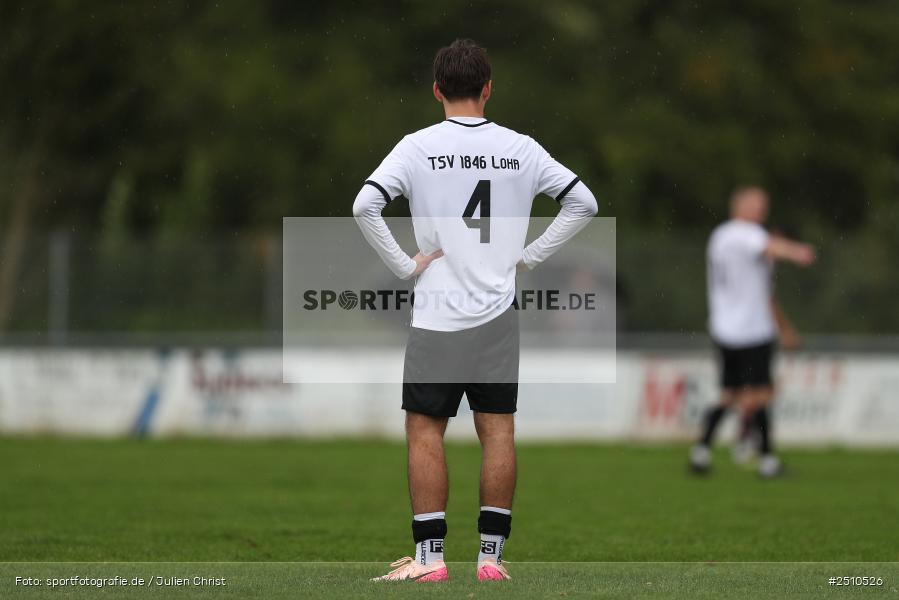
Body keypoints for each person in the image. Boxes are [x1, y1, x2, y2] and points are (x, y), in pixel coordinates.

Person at [353, 39, 597, 582]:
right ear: (488, 89)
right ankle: (491, 559)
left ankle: (429, 560)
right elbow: (584, 203)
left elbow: (364, 204)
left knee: (424, 432)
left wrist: (403, 265)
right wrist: (529, 257)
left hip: (437, 315)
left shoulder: (417, 146)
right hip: (497, 313)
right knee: (498, 431)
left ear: (437, 90)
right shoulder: (521, 148)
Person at [689, 186, 815, 478]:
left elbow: (764, 291)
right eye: (757, 205)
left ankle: (701, 452)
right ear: (740, 206)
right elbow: (772, 247)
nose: (762, 210)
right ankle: (767, 461)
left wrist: (784, 327)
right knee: (760, 393)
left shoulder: (720, 236)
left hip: (724, 327)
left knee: (730, 394)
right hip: (752, 329)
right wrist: (799, 252)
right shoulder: (747, 234)